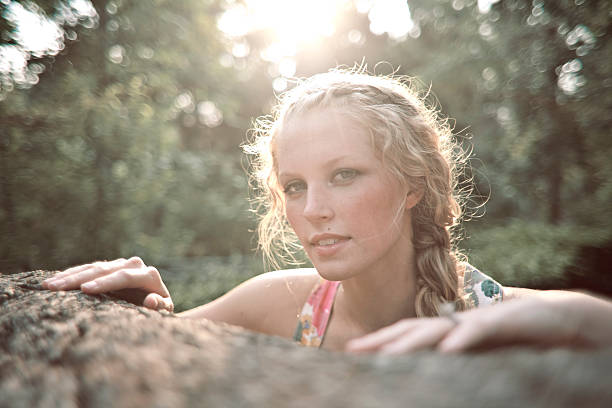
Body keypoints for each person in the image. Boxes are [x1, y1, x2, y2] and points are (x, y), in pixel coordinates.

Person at [42, 69, 612, 353]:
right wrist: (148, 303)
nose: (313, 210)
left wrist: (576, 317)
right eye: (293, 186)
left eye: (344, 176)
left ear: (412, 185)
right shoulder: (278, 304)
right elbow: (149, 347)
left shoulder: (501, 316)